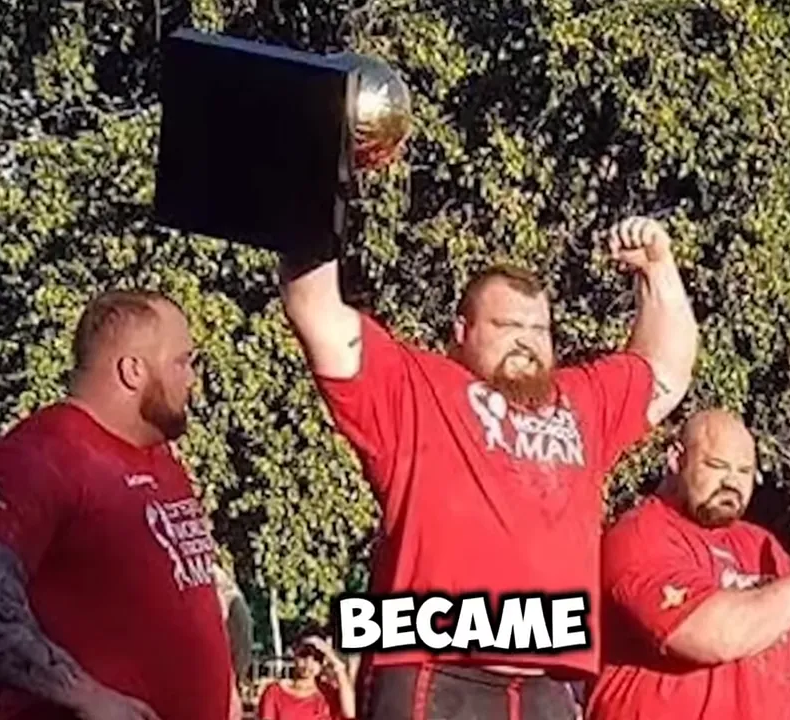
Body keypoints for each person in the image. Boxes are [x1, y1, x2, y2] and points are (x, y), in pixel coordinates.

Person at [279, 216, 699, 719]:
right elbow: (315, 308)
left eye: (538, 329)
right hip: (437, 672)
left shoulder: (581, 402)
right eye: (507, 326)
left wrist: (659, 269)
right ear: (462, 330)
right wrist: (313, 173)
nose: (526, 341)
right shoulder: (417, 388)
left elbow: (667, 372)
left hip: (547, 680)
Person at [0, 290, 239, 720]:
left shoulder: (161, 458)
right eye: (183, 362)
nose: (193, 380)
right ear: (132, 370)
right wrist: (85, 696)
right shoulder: (41, 454)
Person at [587, 409, 790, 720]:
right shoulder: (640, 535)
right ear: (676, 459)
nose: (732, 482)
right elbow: (713, 635)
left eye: (744, 471)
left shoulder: (761, 544)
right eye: (717, 465)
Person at [258, 632, 356, 720]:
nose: (308, 663)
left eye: (316, 658)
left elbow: (349, 713)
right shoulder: (275, 692)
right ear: (295, 656)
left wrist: (334, 659)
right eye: (303, 656)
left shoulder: (328, 693)